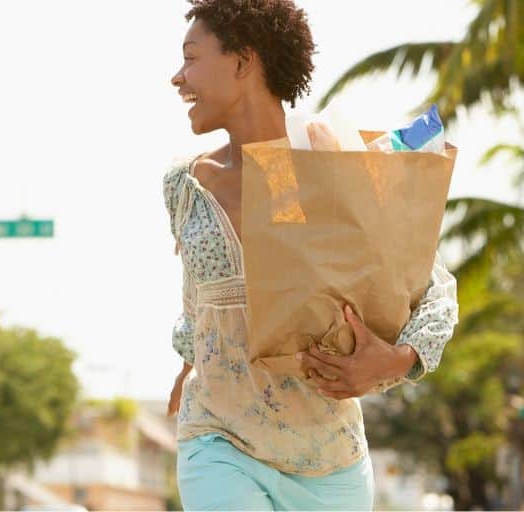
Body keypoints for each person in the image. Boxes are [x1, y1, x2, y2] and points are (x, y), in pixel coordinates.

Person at [163, 0, 459, 510]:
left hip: (328, 460)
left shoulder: (322, 162)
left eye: (191, 58)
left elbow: (434, 291)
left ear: (242, 61)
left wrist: (396, 359)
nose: (177, 77)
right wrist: (191, 359)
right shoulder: (187, 184)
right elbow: (197, 297)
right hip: (217, 439)